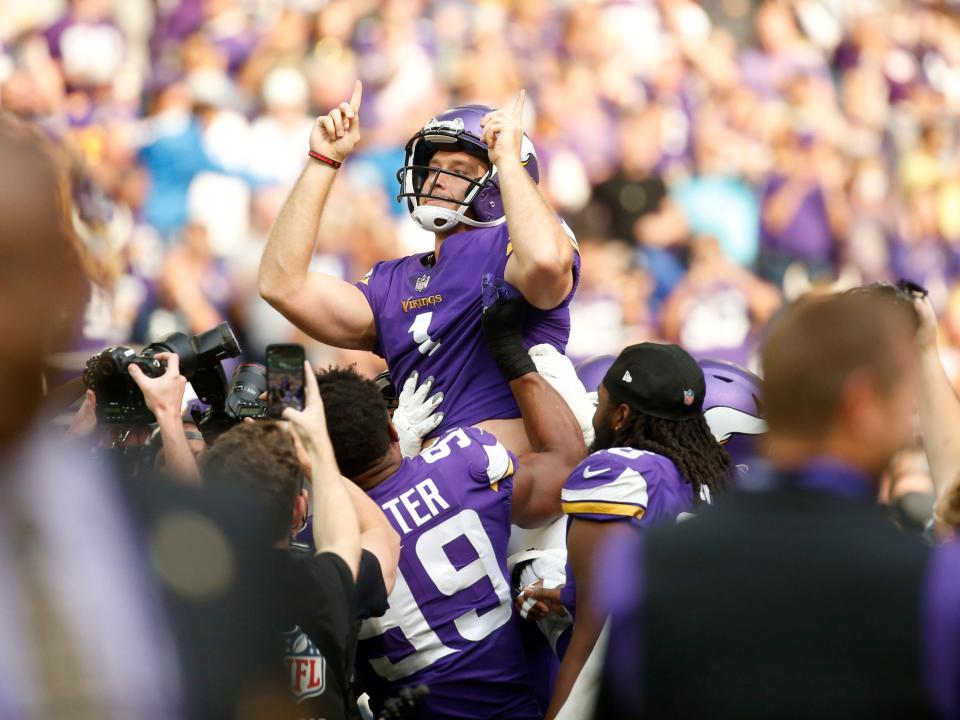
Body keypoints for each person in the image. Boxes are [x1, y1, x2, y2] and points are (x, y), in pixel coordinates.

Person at [594, 292, 960, 720]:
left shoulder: (644, 564)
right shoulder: (933, 584)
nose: (909, 418)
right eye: (905, 395)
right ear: (861, 403)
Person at [258, 83, 580, 455]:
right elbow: (282, 285)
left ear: (494, 187)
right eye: (432, 168)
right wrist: (322, 161)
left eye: (458, 169)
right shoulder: (391, 280)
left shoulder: (519, 243)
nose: (436, 179)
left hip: (512, 488)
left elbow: (544, 262)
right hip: (422, 487)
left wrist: (508, 161)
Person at [312, 288, 586, 719]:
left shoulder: (314, 539)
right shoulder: (463, 459)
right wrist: (513, 354)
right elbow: (565, 468)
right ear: (389, 430)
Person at [518, 343, 733, 719]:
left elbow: (595, 631)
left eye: (600, 401)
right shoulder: (712, 475)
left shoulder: (617, 474)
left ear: (621, 415)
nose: (595, 410)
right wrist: (559, 593)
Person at [201, 369, 399, 719]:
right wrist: (315, 454)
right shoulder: (321, 585)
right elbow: (381, 536)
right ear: (299, 510)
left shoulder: (184, 598)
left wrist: (169, 416)